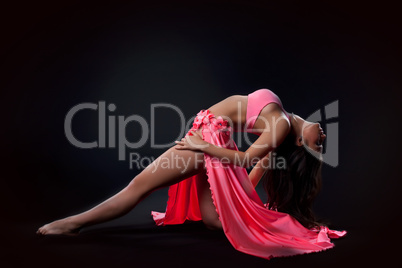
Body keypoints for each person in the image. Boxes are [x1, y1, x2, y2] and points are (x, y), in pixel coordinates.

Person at [37, 88, 346, 260]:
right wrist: (242, 203)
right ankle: (230, 217)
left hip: (208, 140)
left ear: (299, 143)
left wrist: (202, 147)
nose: (323, 138)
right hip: (210, 136)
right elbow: (258, 165)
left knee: (137, 187)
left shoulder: (280, 128)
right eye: (323, 140)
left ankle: (71, 225)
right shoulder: (286, 121)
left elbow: (247, 158)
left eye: (318, 145)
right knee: (213, 220)